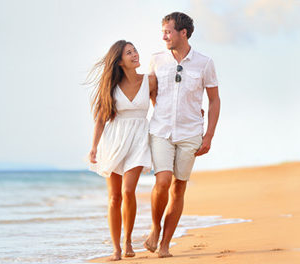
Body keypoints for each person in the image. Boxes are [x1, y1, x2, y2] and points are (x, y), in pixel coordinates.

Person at [144, 12, 221, 258]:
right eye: (163, 31)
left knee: (178, 188)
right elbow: (151, 92)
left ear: (183, 33)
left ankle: (165, 244)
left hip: (190, 133)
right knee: (163, 181)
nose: (164, 36)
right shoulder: (156, 59)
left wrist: (208, 135)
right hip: (160, 130)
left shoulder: (205, 62)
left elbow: (214, 99)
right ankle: (155, 228)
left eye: (168, 31)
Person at [88, 40, 157, 261]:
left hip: (138, 139)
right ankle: (117, 249)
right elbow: (100, 119)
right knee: (114, 197)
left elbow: (162, 108)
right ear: (119, 61)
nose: (135, 54)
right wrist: (94, 147)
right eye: (129, 52)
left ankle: (128, 241)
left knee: (128, 191)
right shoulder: (110, 87)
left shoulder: (150, 81)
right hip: (115, 141)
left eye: (135, 50)